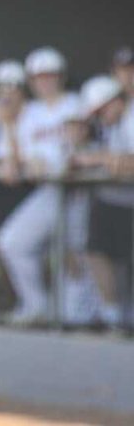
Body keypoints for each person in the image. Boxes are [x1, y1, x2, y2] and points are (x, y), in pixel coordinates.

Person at [0, 47, 90, 326]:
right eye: (38, 77)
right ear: (31, 81)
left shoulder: (76, 103)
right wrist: (13, 156)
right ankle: (38, 306)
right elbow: (11, 157)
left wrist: (51, 161)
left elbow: (80, 146)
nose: (45, 82)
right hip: (48, 190)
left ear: (61, 77)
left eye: (50, 76)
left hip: (80, 190)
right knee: (11, 243)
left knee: (76, 254)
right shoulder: (28, 112)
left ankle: (80, 316)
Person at [73, 75, 134, 329]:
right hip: (113, 199)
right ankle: (112, 314)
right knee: (96, 251)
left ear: (116, 102)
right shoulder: (108, 125)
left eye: (102, 110)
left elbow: (126, 164)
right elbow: (79, 158)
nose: (100, 117)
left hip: (129, 201)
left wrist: (105, 159)